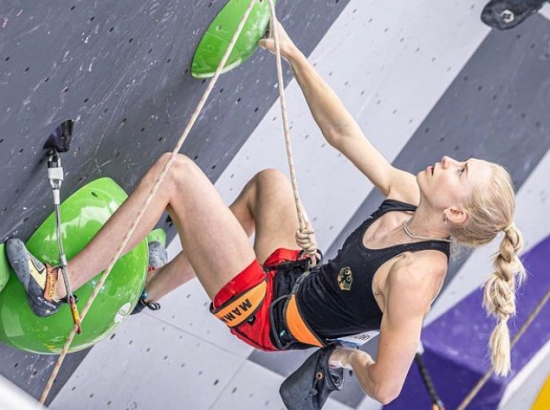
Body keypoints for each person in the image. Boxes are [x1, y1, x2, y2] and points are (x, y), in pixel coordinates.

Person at [6, 22, 526, 405]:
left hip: (267, 314)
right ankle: (152, 287)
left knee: (176, 174)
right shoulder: (414, 195)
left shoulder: (417, 276)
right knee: (270, 185)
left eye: (461, 171)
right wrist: (296, 56)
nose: (450, 161)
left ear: (455, 212)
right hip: (296, 278)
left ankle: (58, 287)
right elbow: (345, 135)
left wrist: (337, 358)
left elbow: (387, 388)